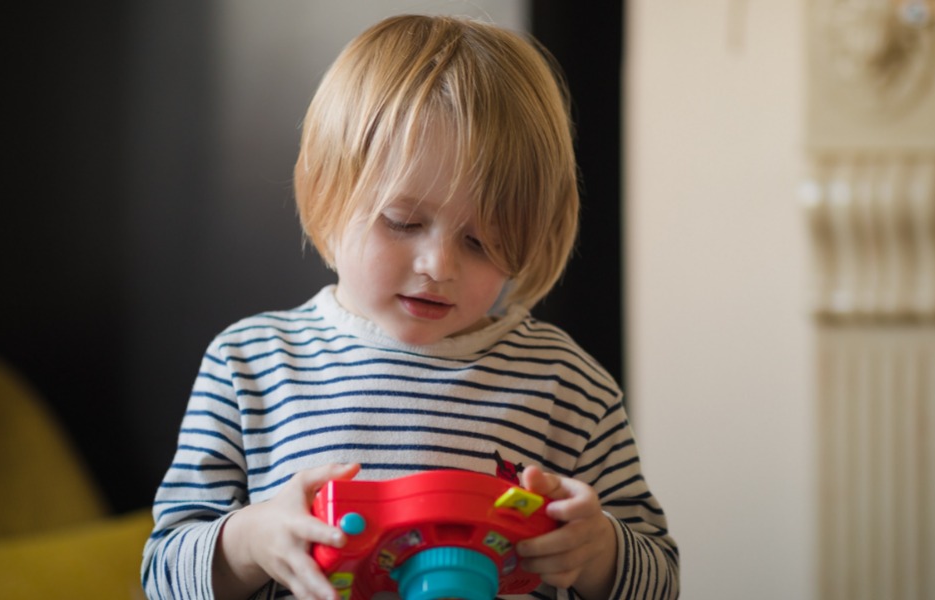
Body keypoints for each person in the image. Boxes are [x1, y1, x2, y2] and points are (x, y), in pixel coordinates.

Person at [142, 14, 678, 600]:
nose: (439, 266)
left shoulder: (566, 384)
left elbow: (659, 578)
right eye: (403, 222)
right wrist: (249, 542)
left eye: (480, 241)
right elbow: (163, 576)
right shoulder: (250, 365)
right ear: (327, 192)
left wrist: (600, 552)